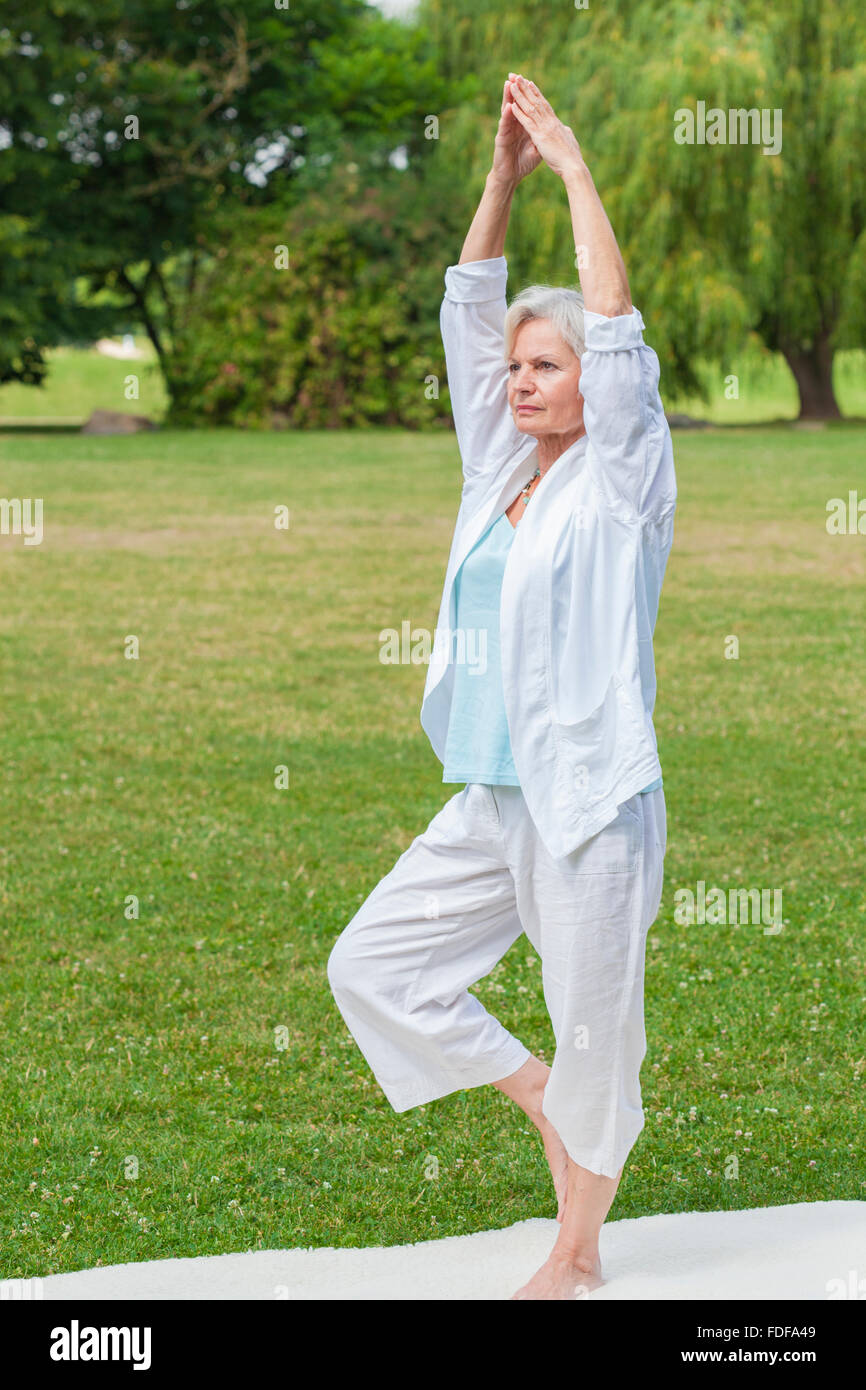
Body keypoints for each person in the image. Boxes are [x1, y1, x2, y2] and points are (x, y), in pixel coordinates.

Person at [328, 72, 677, 1300]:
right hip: (486, 796)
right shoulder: (500, 471)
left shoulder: (623, 477)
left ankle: (574, 1254)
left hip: (585, 806)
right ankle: (537, 1099)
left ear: (592, 382)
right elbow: (466, 307)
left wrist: (576, 171)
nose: (521, 379)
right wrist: (498, 180)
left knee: (599, 1040)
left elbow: (616, 323)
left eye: (547, 364)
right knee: (372, 965)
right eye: (516, 368)